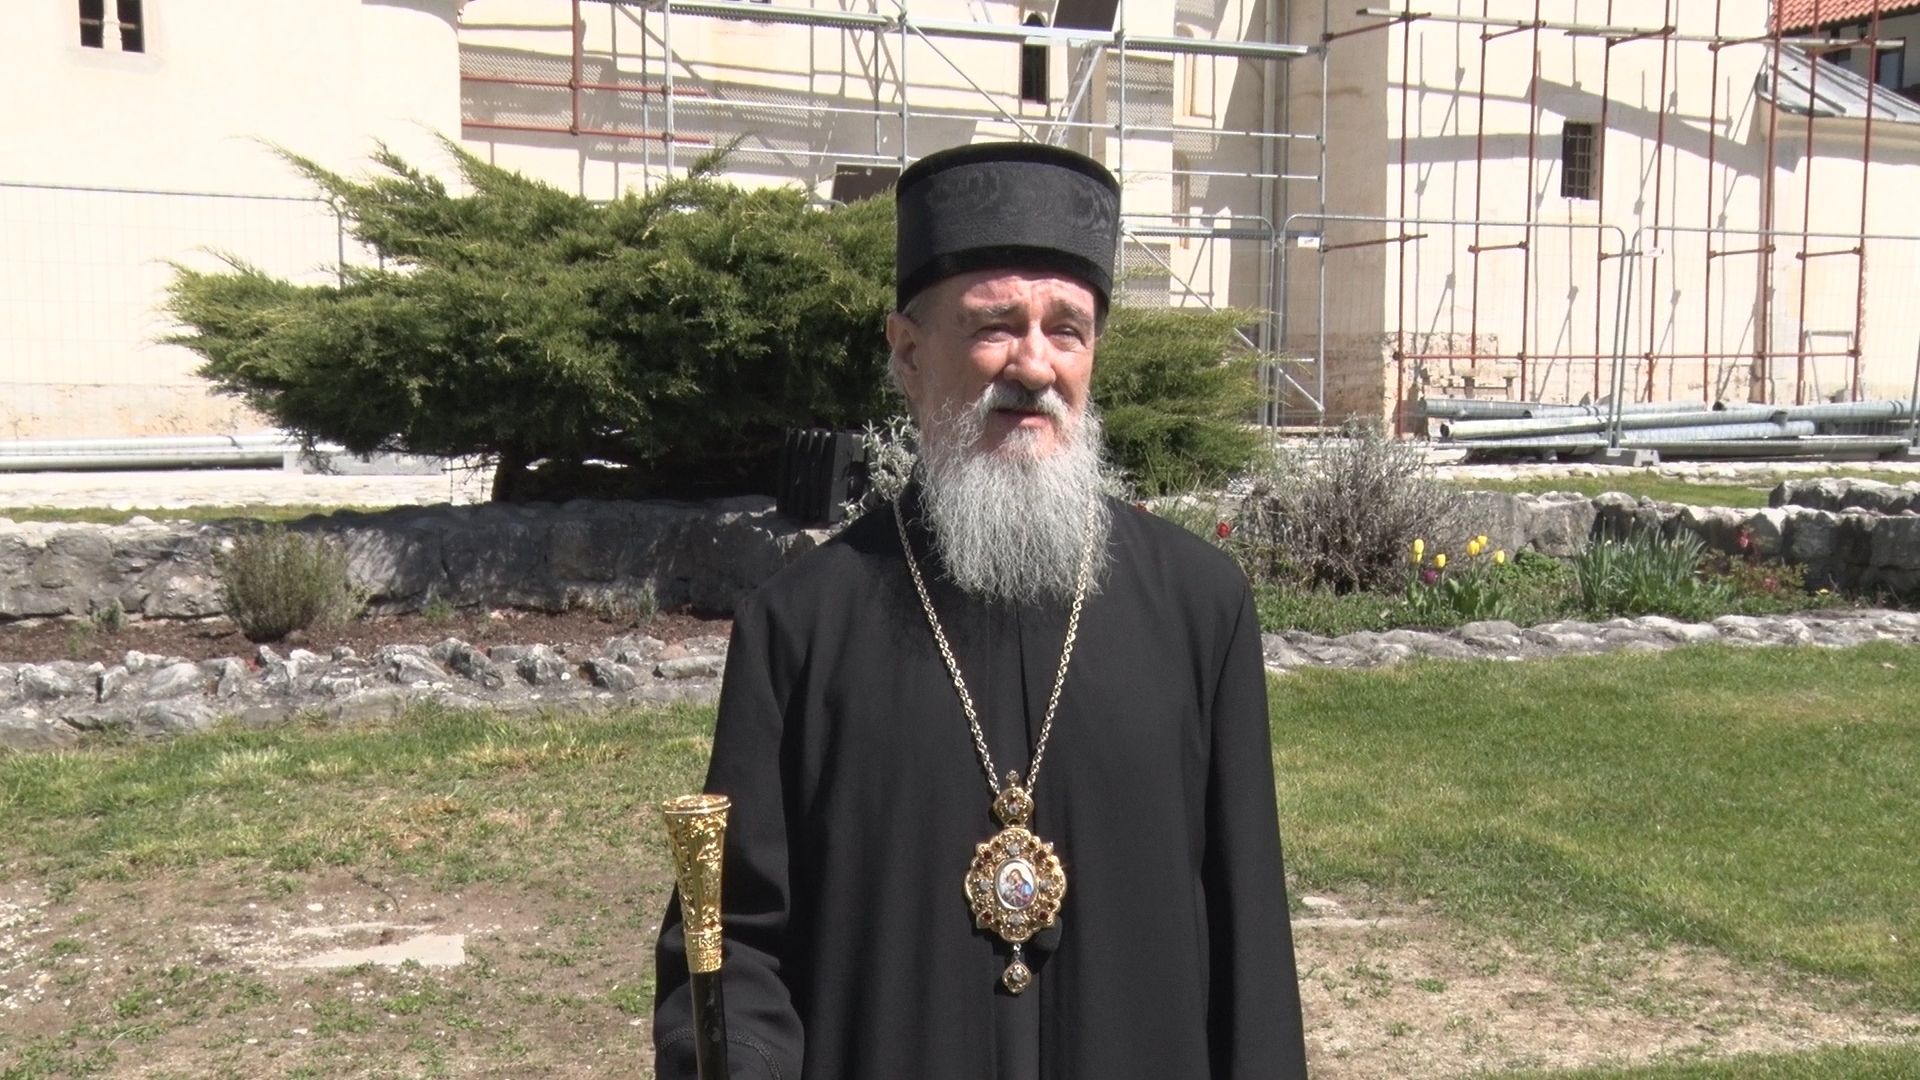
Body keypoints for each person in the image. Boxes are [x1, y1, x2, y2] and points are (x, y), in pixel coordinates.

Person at [654, 141, 1308, 1080]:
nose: (1034, 365)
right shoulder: (800, 626)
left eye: (1067, 330)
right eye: (995, 326)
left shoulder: (1200, 609)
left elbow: (1249, 944)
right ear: (909, 352)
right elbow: (737, 937)